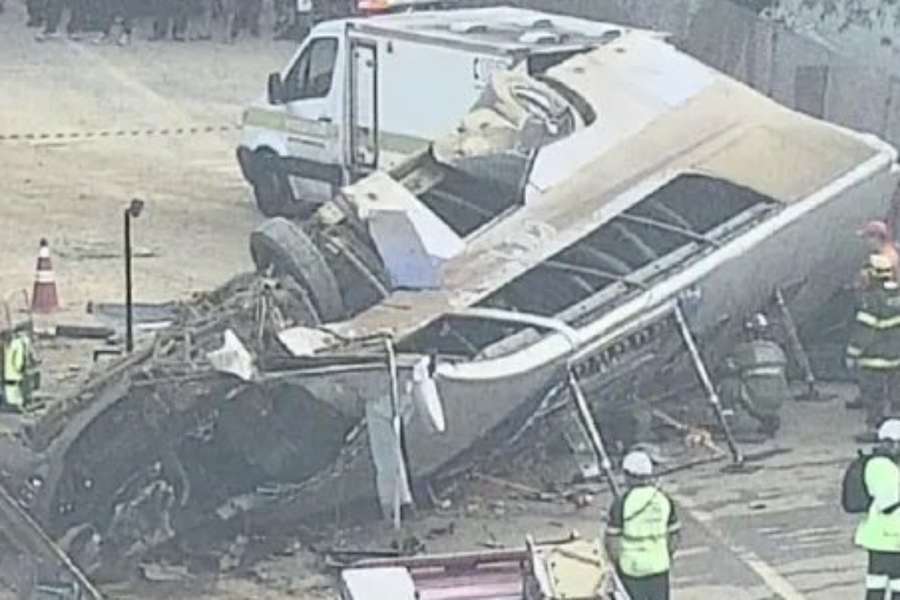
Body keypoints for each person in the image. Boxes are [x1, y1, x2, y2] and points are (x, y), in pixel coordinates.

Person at [605, 450, 680, 600]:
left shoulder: (622, 503)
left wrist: (617, 564)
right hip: (659, 567)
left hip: (631, 570)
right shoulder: (664, 499)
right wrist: (666, 556)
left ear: (628, 475)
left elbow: (612, 543)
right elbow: (674, 537)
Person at [847, 255, 900, 442]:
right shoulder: (896, 296)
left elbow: (864, 331)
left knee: (873, 396)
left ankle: (875, 429)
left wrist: (852, 354)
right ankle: (895, 430)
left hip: (874, 359)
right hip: (896, 358)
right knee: (895, 396)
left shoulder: (871, 300)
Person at [718, 313, 790, 440]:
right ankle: (768, 418)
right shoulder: (777, 349)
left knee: (727, 385)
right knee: (764, 384)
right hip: (777, 399)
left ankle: (727, 422)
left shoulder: (744, 350)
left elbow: (725, 368)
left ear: (749, 332)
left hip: (756, 397)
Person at [856, 418, 900, 600]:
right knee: (885, 586)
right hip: (887, 539)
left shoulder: (885, 465)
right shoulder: (881, 466)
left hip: (883, 538)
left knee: (878, 584)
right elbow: (888, 504)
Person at [2, 325, 35, 413]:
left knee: (14, 393)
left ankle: (19, 406)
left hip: (12, 375)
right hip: (15, 375)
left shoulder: (16, 344)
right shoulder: (20, 343)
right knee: (15, 393)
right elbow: (19, 361)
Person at [859, 220, 900, 288]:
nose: (865, 242)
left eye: (867, 238)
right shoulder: (876, 255)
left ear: (876, 238)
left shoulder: (891, 257)